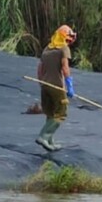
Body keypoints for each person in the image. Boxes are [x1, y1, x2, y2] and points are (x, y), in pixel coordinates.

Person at [35, 24, 76, 152]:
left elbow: (40, 68)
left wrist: (42, 82)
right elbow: (65, 68)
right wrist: (69, 84)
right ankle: (43, 136)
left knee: (50, 113)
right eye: (69, 38)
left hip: (45, 86)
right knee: (60, 113)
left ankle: (50, 140)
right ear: (64, 37)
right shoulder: (63, 49)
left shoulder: (47, 49)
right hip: (57, 86)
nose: (70, 41)